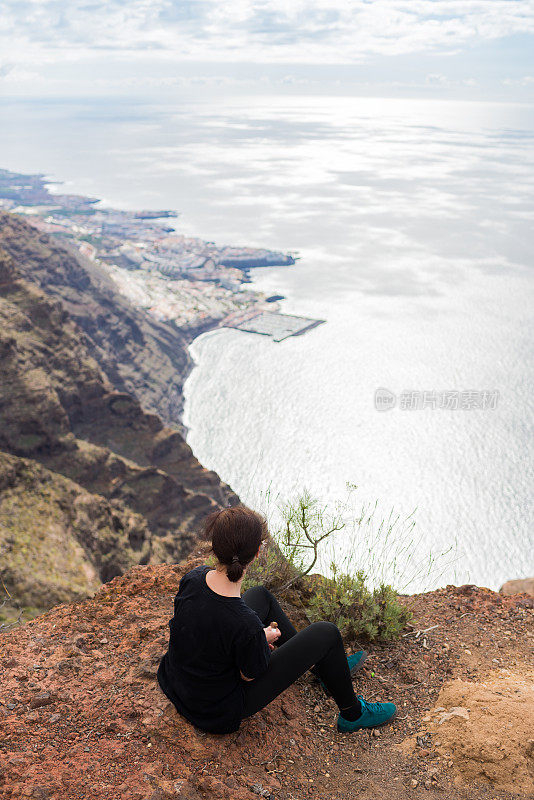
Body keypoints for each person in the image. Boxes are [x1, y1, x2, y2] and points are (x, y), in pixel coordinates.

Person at [157, 505, 396, 735]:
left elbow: (204, 627)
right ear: (257, 553)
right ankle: (352, 714)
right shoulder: (245, 624)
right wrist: (260, 641)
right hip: (216, 709)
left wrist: (253, 637)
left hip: (177, 681)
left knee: (260, 595)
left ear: (214, 546)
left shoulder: (194, 578)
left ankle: (326, 672)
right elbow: (250, 673)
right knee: (326, 632)